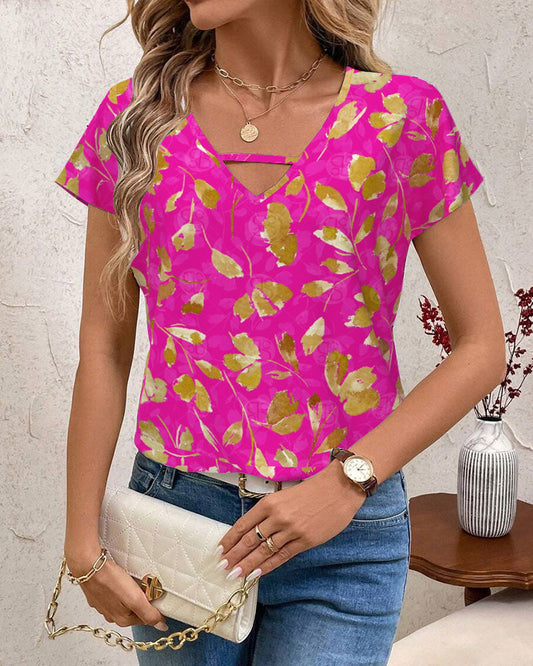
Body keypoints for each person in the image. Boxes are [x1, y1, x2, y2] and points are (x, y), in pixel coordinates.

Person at [55, 0, 506, 663]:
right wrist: (81, 543)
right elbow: (103, 349)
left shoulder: (402, 117)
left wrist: (347, 481)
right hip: (178, 523)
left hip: (344, 537)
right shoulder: (135, 118)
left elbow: (481, 348)